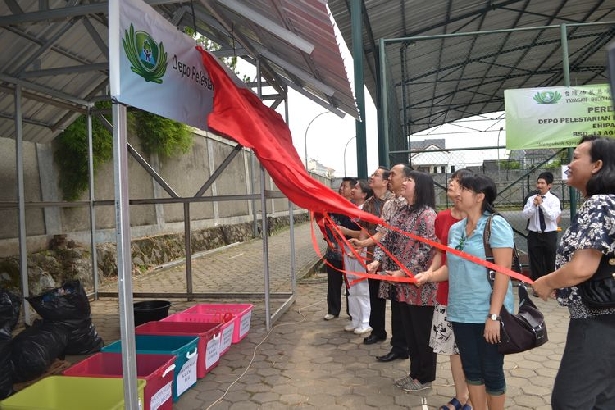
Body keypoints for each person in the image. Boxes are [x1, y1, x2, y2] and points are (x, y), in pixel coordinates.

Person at [416, 174, 515, 410]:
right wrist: (429, 276)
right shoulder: (456, 229)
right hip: (460, 312)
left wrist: (494, 315)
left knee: (491, 370)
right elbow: (450, 268)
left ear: (480, 197)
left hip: (487, 313)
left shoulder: (495, 225)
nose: (457, 194)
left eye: (465, 190)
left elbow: (503, 273)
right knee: (471, 369)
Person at [533, 135, 615, 410]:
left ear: (597, 165)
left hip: (596, 321)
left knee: (570, 400)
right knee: (604, 397)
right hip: (606, 318)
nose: (569, 164)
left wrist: (547, 281)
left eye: (577, 157)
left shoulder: (598, 204)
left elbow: (582, 267)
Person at [375, 170, 438, 392]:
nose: (404, 183)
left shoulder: (428, 215)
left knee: (422, 335)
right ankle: (414, 374)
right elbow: (390, 239)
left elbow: (427, 249)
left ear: (419, 186)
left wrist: (403, 272)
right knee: (410, 334)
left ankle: (425, 377)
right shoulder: (403, 212)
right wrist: (379, 263)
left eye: (409, 180)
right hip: (402, 286)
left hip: (421, 287)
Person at [418, 168, 473, 410]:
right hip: (446, 292)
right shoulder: (441, 218)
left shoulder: (478, 219)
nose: (451, 184)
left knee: (472, 349)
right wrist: (430, 274)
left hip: (472, 295)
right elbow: (441, 255)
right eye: (452, 180)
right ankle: (460, 396)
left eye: (458, 182)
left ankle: (473, 398)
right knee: (453, 348)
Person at [354, 164, 410, 361]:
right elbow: (382, 234)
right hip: (389, 262)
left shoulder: (413, 204)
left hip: (409, 265)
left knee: (405, 308)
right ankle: (398, 345)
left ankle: (406, 346)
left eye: (393, 174)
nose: (389, 178)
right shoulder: (389, 205)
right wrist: (372, 255)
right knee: (394, 304)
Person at [355, 167, 393, 345]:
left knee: (394, 295)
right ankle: (378, 330)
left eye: (376, 175)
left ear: (386, 181)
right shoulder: (369, 203)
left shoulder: (395, 201)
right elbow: (363, 227)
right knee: (374, 293)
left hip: (392, 254)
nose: (371, 177)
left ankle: (400, 338)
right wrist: (360, 249)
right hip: (372, 253)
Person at [342, 179, 373, 334]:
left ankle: (365, 321)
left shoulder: (366, 209)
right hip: (348, 248)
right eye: (352, 188)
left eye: (356, 188)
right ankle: (355, 319)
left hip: (361, 248)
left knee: (361, 285)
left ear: (365, 193)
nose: (353, 190)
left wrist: (346, 232)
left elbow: (365, 232)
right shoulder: (349, 208)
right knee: (351, 284)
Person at [324, 177, 357, 321]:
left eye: (345, 186)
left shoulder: (355, 209)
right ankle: (333, 310)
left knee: (351, 283)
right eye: (341, 186)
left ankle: (353, 312)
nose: (341, 188)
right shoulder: (333, 206)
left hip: (349, 252)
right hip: (333, 251)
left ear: (353, 190)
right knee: (333, 283)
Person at [522, 172, 561, 280]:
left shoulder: (554, 200)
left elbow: (552, 216)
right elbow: (525, 215)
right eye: (538, 183)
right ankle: (537, 285)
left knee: (550, 260)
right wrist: (534, 206)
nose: (539, 185)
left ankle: (551, 284)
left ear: (549, 185)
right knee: (535, 261)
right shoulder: (531, 199)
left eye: (542, 183)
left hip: (549, 234)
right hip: (534, 234)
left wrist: (541, 204)